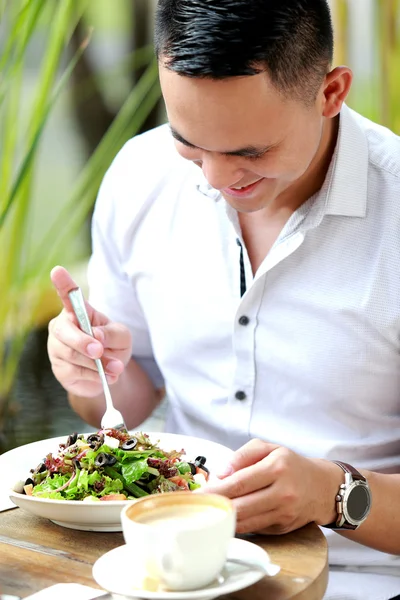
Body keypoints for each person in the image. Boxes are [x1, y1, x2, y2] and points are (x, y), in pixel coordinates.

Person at [48, 1, 400, 598]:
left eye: (250, 153)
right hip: (162, 566)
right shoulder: (141, 174)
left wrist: (334, 494)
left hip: (356, 578)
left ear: (331, 91)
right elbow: (126, 407)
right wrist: (91, 374)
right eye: (189, 143)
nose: (213, 179)